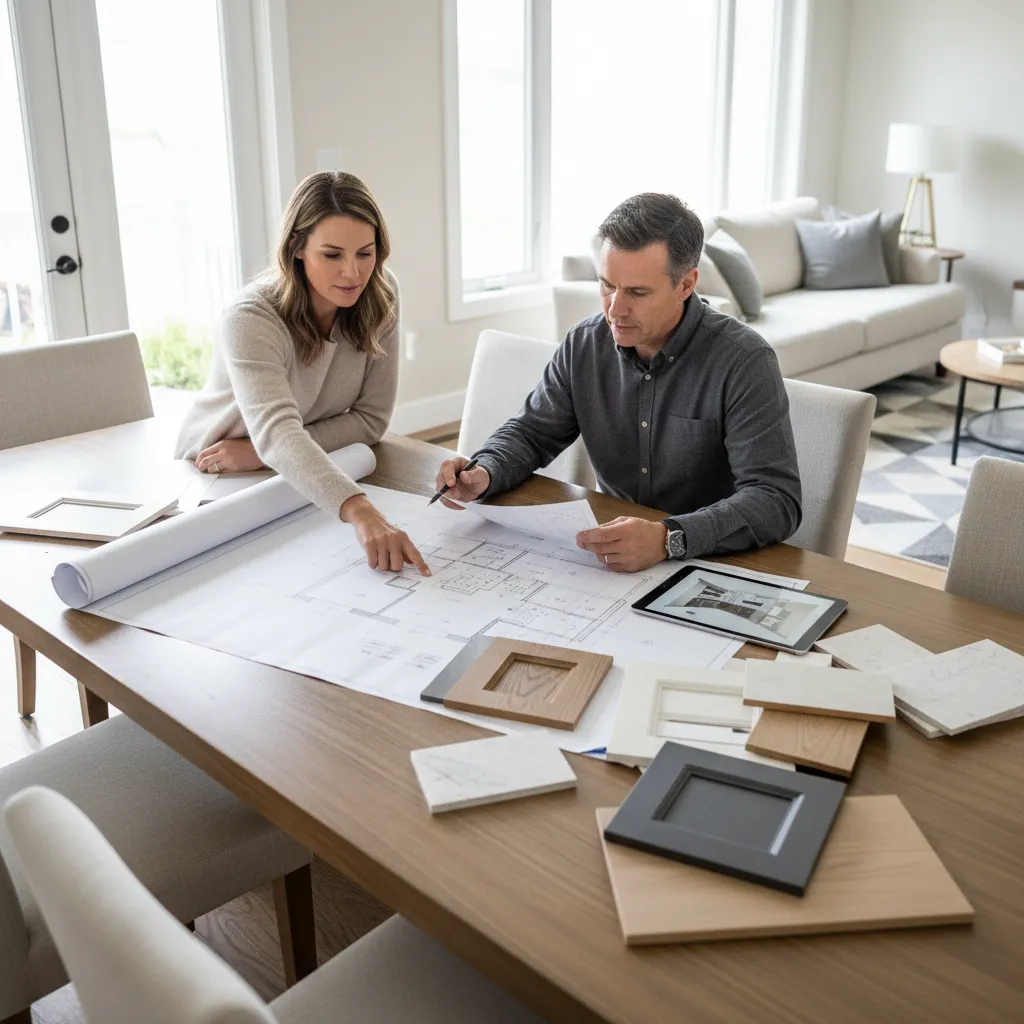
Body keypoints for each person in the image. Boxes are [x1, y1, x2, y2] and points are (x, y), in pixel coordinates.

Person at [435, 192, 801, 572]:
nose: (614, 309)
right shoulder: (585, 343)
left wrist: (668, 538)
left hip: (712, 558)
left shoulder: (743, 361)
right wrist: (485, 470)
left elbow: (776, 500)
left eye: (638, 293)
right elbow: (532, 433)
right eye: (607, 285)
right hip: (612, 556)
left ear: (686, 284)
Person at [175, 171, 429, 575]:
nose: (353, 273)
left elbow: (371, 420)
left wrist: (262, 450)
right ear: (296, 247)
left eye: (366, 253)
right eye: (332, 255)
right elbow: (277, 432)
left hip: (288, 462)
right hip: (218, 473)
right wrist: (360, 510)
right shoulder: (250, 319)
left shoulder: (381, 294)